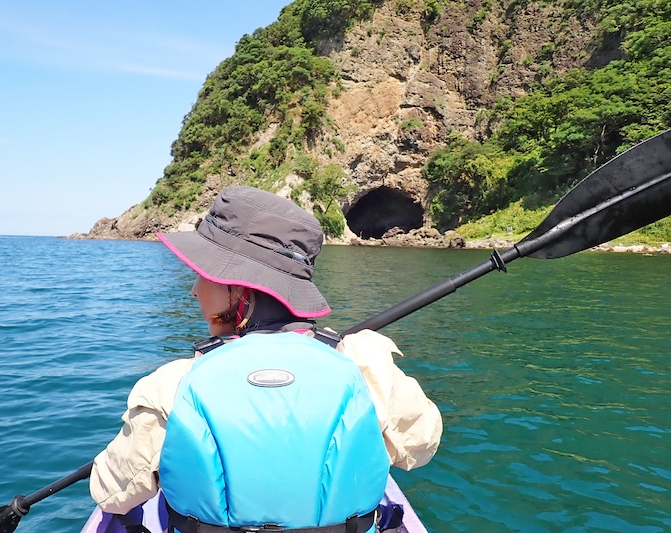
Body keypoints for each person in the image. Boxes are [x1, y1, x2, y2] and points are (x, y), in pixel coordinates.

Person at [90, 186, 442, 532]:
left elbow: (111, 494)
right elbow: (422, 444)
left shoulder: (174, 383)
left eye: (202, 274)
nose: (194, 289)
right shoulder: (364, 363)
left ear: (238, 287)